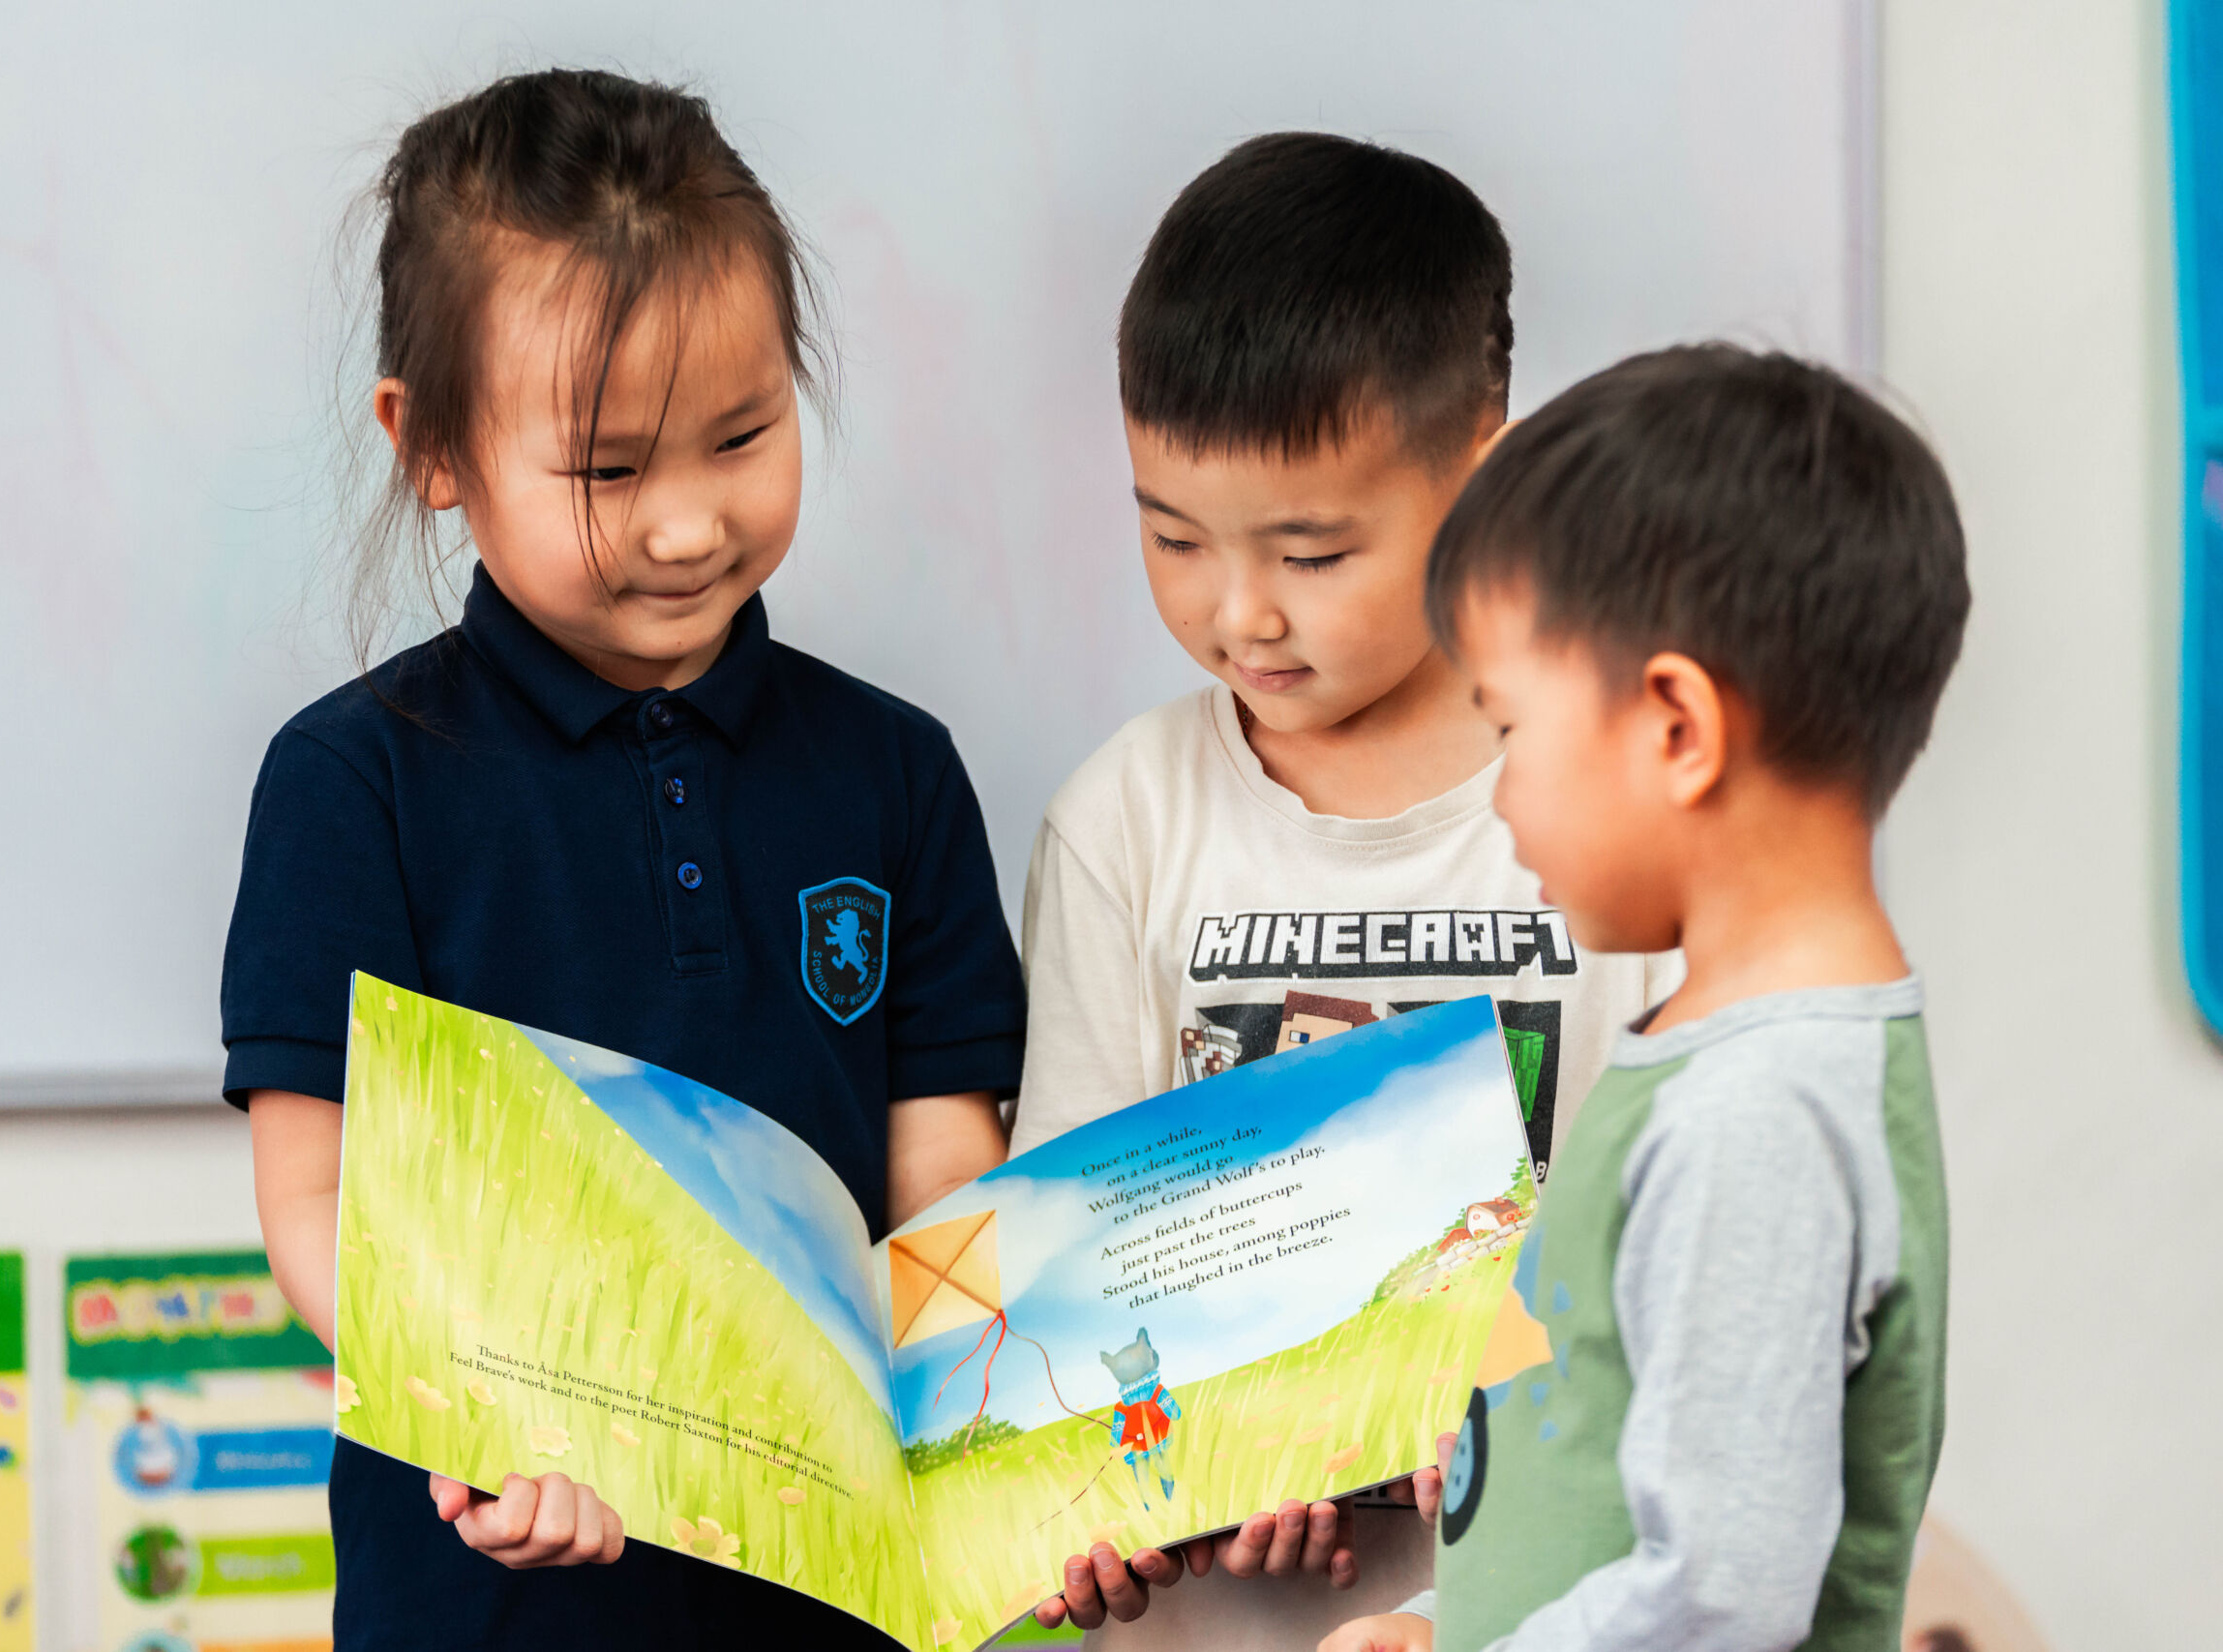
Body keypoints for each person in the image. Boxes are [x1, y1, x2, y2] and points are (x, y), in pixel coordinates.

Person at [222, 69, 1026, 1650]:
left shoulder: (896, 770)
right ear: (428, 442)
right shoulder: (352, 784)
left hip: (831, 1598)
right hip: (486, 1600)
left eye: (742, 436)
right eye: (608, 470)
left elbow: (941, 1159)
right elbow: (321, 1190)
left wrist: (982, 1400)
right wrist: (483, 1412)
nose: (687, 526)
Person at [1016, 134, 1676, 1648]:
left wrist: (1501, 1409)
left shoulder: (1614, 813)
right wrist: (1171, 1472)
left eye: (1311, 553)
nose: (1238, 612)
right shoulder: (1125, 822)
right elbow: (1072, 1274)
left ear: (1484, 475)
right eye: (1172, 535)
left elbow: (1671, 1256)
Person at [1319, 343, 1966, 1651]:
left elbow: (1723, 1591)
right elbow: (1612, 1488)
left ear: (1678, 727)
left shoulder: (1756, 1114)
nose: (1503, 797)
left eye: (1510, 730)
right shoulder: (1726, 1064)